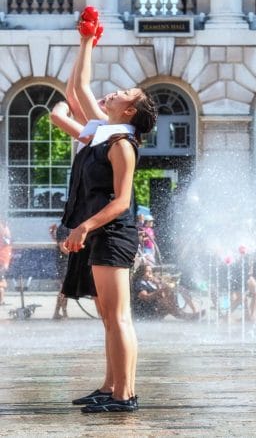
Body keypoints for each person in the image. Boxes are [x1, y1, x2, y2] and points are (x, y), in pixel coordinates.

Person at [56, 23, 158, 413]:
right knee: (107, 317)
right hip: (100, 233)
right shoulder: (103, 132)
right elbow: (78, 89)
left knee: (118, 317)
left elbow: (122, 202)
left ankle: (125, 394)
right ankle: (110, 385)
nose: (114, 92)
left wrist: (84, 226)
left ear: (129, 111)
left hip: (113, 233)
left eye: (124, 94)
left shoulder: (122, 145)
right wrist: (85, 40)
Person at [131, 264, 201, 321]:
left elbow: (161, 293)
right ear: (141, 273)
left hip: (156, 307)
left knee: (180, 288)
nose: (150, 274)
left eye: (151, 271)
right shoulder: (140, 283)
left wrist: (158, 284)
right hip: (147, 311)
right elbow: (145, 297)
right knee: (166, 295)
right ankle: (183, 315)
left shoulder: (149, 282)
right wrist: (160, 291)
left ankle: (193, 311)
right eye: (147, 271)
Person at [49, 223, 70, 319]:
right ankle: (59, 312)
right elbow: (62, 247)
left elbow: (58, 242)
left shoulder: (65, 227)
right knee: (64, 288)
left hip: (65, 261)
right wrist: (76, 255)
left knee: (65, 289)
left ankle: (60, 312)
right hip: (64, 262)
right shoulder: (64, 227)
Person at [0, 219, 12, 305]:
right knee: (1, 281)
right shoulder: (4, 230)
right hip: (2, 260)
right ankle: (1, 300)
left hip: (2, 260)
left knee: (1, 281)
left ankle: (1, 300)